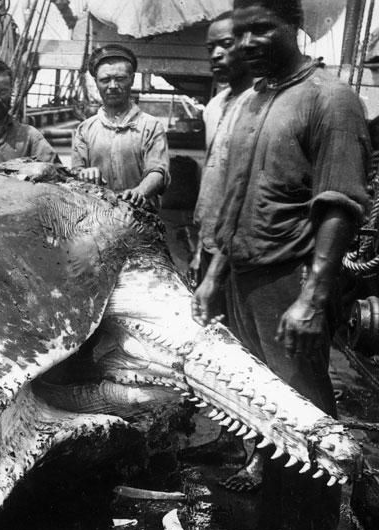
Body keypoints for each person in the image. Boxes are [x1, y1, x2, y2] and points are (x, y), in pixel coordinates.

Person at [192, 0, 371, 530]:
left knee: (303, 420)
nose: (247, 43)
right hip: (242, 278)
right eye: (240, 32)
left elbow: (339, 204)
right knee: (263, 417)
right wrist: (215, 276)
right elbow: (234, 198)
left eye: (262, 29)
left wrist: (313, 297)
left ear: (294, 27)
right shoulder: (252, 99)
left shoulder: (331, 100)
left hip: (292, 282)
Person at [181, 12, 264, 493]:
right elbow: (214, 183)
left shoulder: (263, 102)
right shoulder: (215, 105)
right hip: (212, 245)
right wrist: (200, 249)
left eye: (226, 44)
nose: (216, 54)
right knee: (220, 347)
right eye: (210, 47)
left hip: (245, 253)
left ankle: (262, 460)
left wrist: (219, 264)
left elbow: (246, 193)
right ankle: (232, 440)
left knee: (253, 356)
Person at [72, 44, 170, 209]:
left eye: (120, 78)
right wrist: (83, 174)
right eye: (105, 80)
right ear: (96, 82)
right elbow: (73, 175)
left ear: (132, 79)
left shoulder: (151, 126)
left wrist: (140, 191)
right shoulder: (84, 129)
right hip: (96, 214)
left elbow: (158, 171)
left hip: (140, 214)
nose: (112, 86)